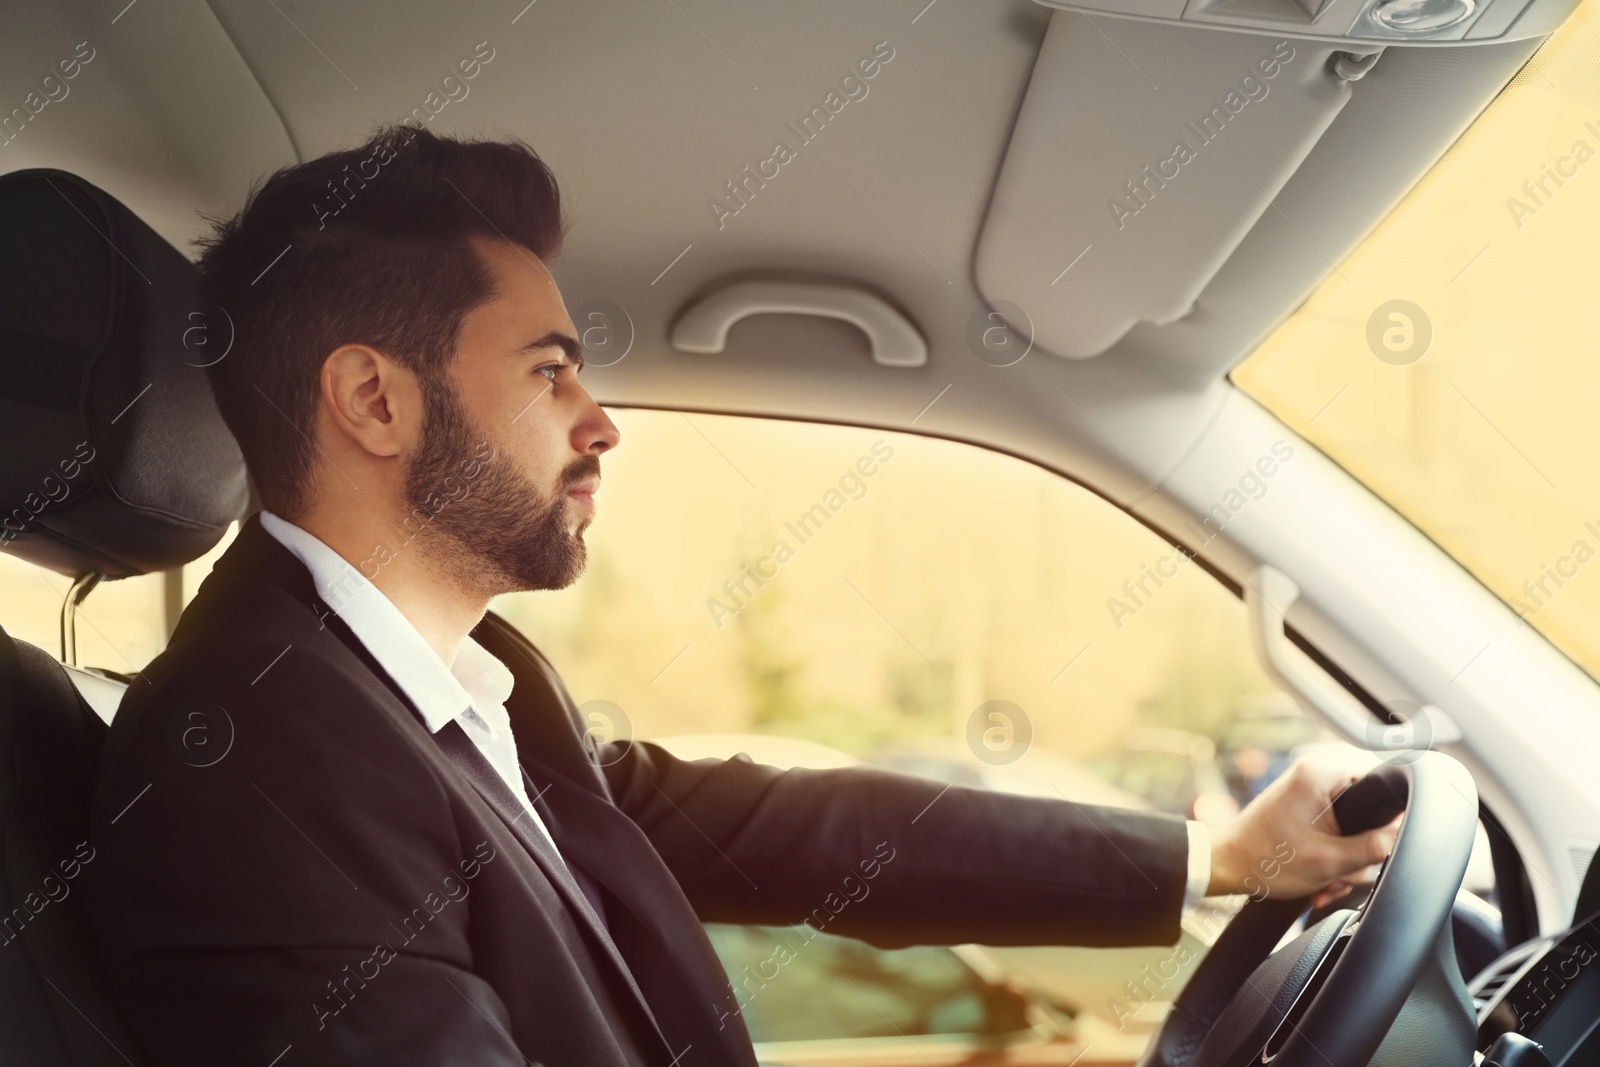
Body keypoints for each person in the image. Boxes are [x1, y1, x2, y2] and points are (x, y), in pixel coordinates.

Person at [82, 125, 1397, 1067]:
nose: (600, 425)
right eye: (548, 373)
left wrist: (1217, 862)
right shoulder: (246, 768)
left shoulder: (447, 686)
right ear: (374, 400)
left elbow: (777, 831)